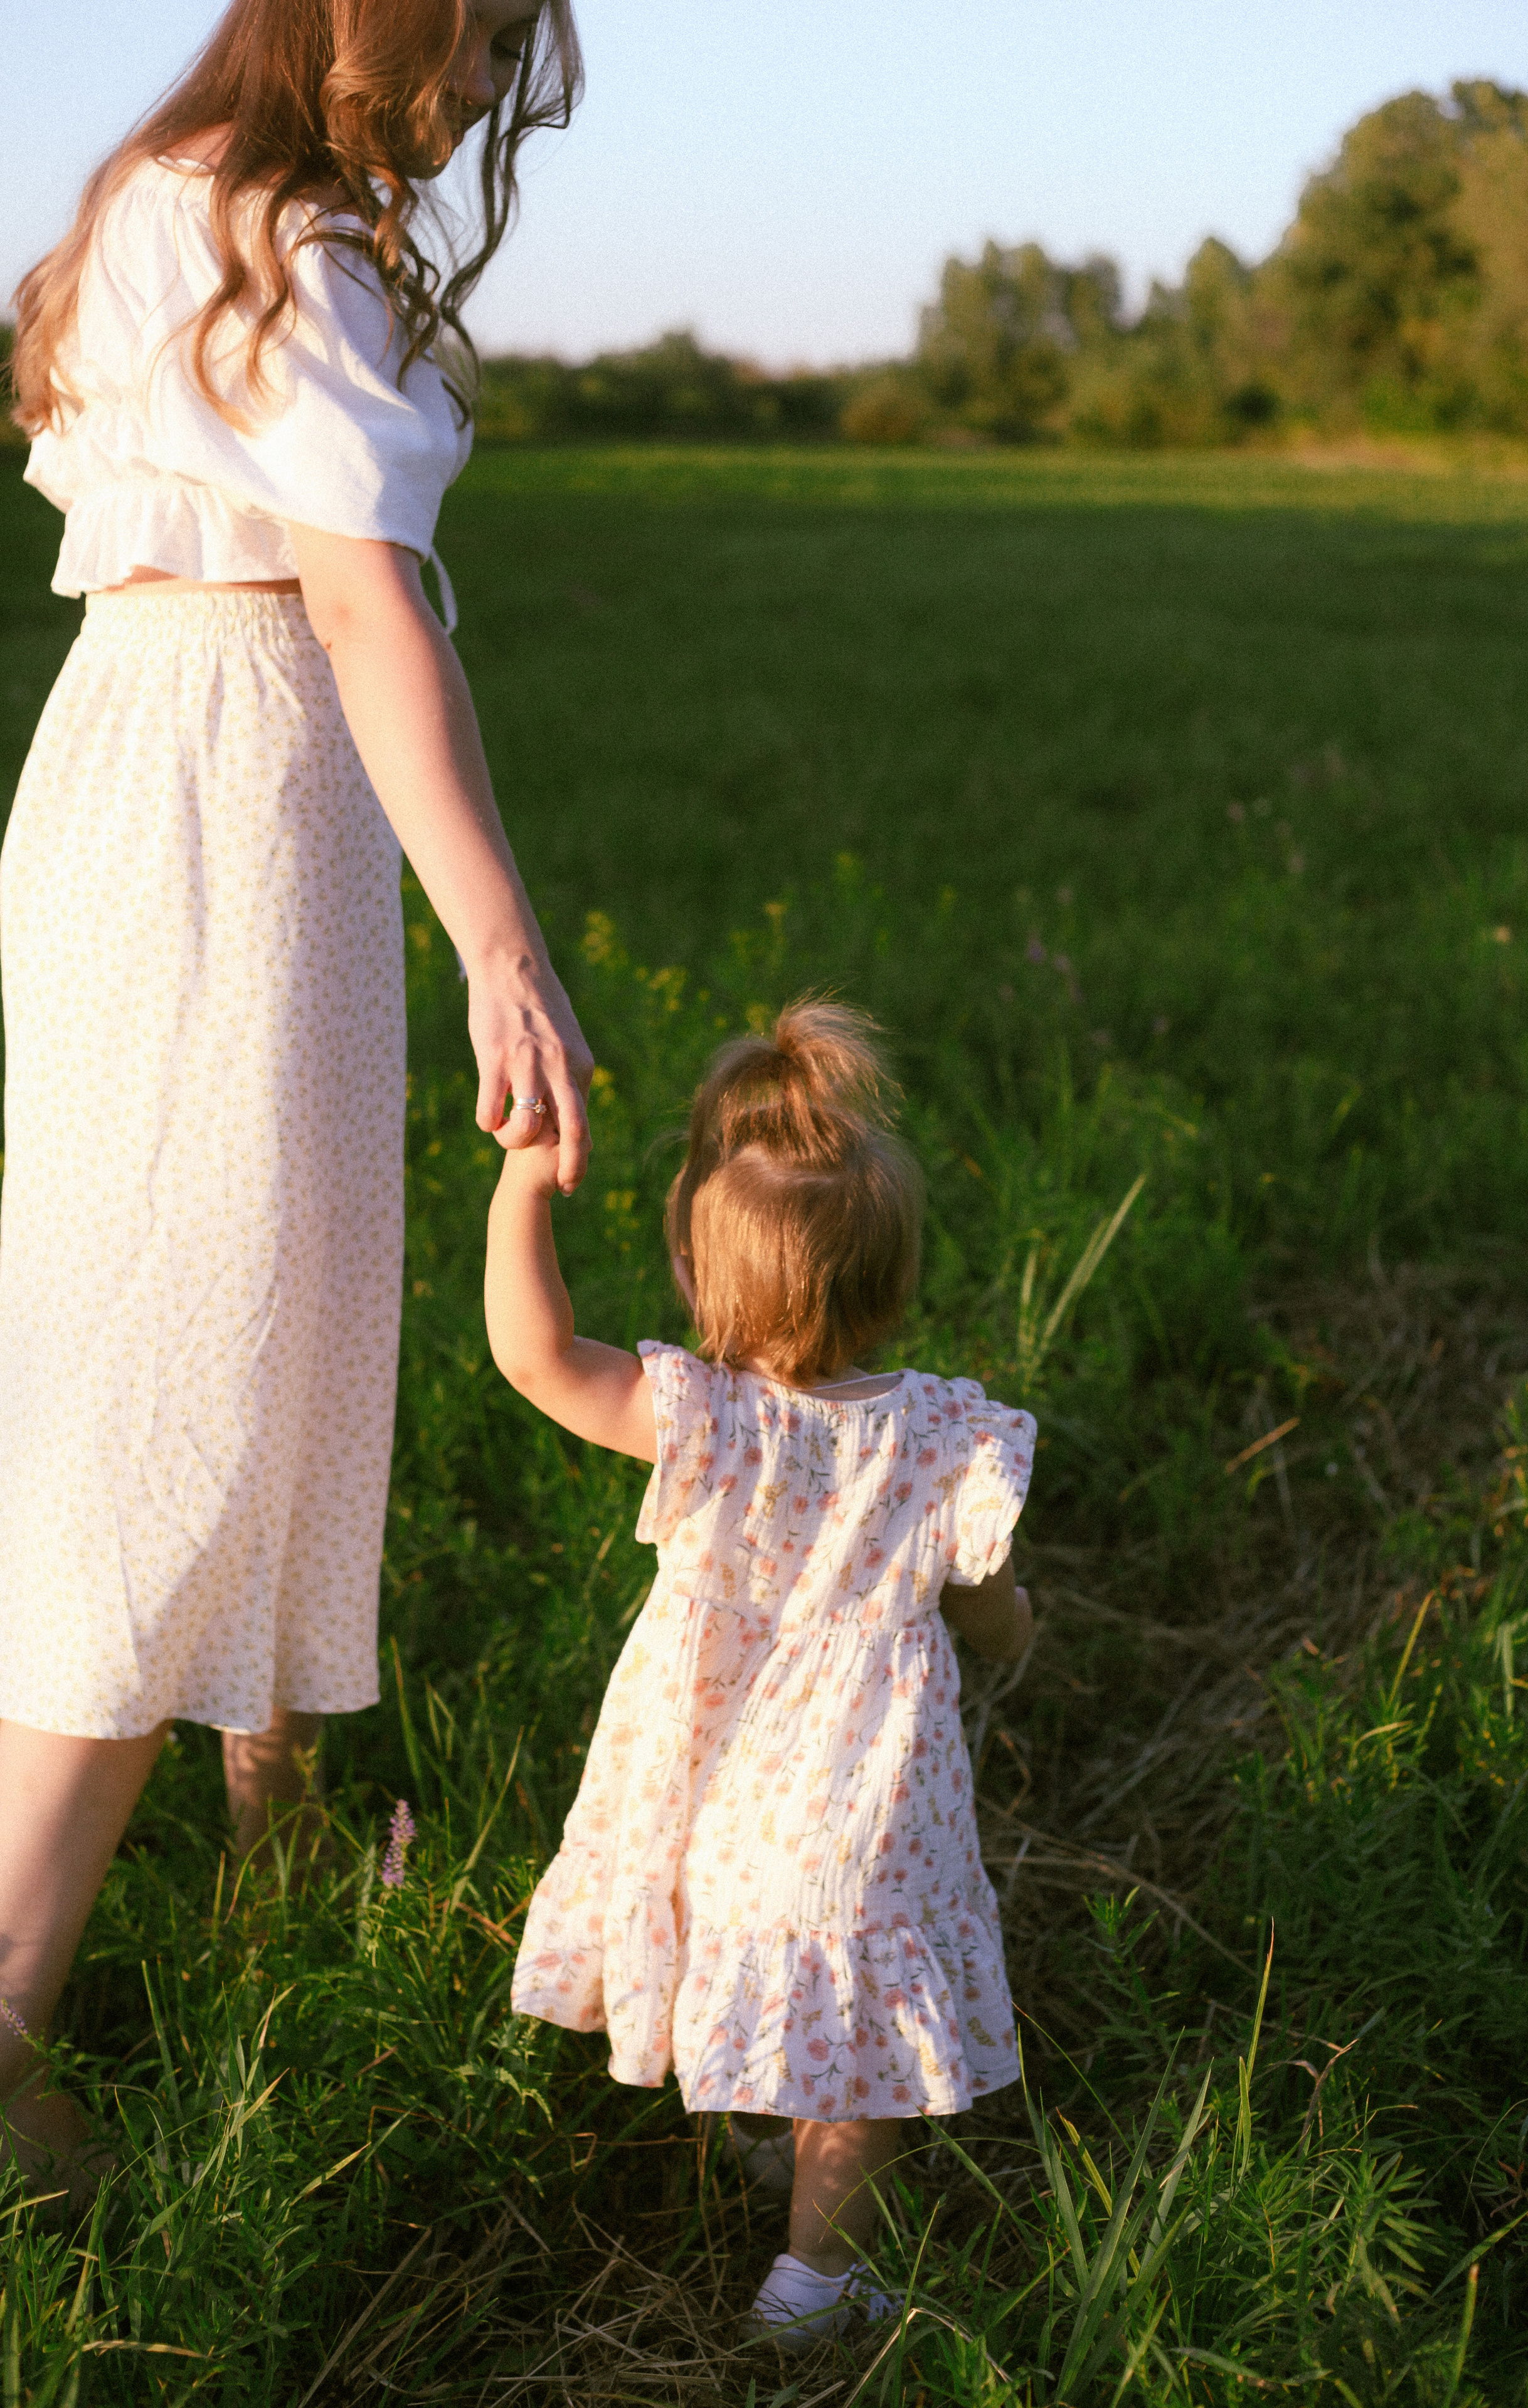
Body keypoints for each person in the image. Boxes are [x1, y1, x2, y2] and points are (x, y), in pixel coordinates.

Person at [0, 0, 590, 2187]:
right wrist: (504, 944)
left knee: (268, 1322)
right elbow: (359, 604)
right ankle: (2, 2001)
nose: (483, 92)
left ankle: (278, 1845)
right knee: (187, 1370)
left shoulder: (171, 198)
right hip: (235, 787)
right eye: (477, 43)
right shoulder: (282, 236)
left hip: (151, 767)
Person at [485, 999, 1036, 2348]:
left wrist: (524, 1185)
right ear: (891, 1282)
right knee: (855, 2032)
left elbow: (532, 1355)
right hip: (863, 1802)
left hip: (709, 1783)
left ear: (694, 1274)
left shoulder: (701, 1422)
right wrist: (1016, 1639)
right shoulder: (943, 1437)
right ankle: (817, 2282)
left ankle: (773, 2160)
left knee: (740, 1935)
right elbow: (990, 1604)